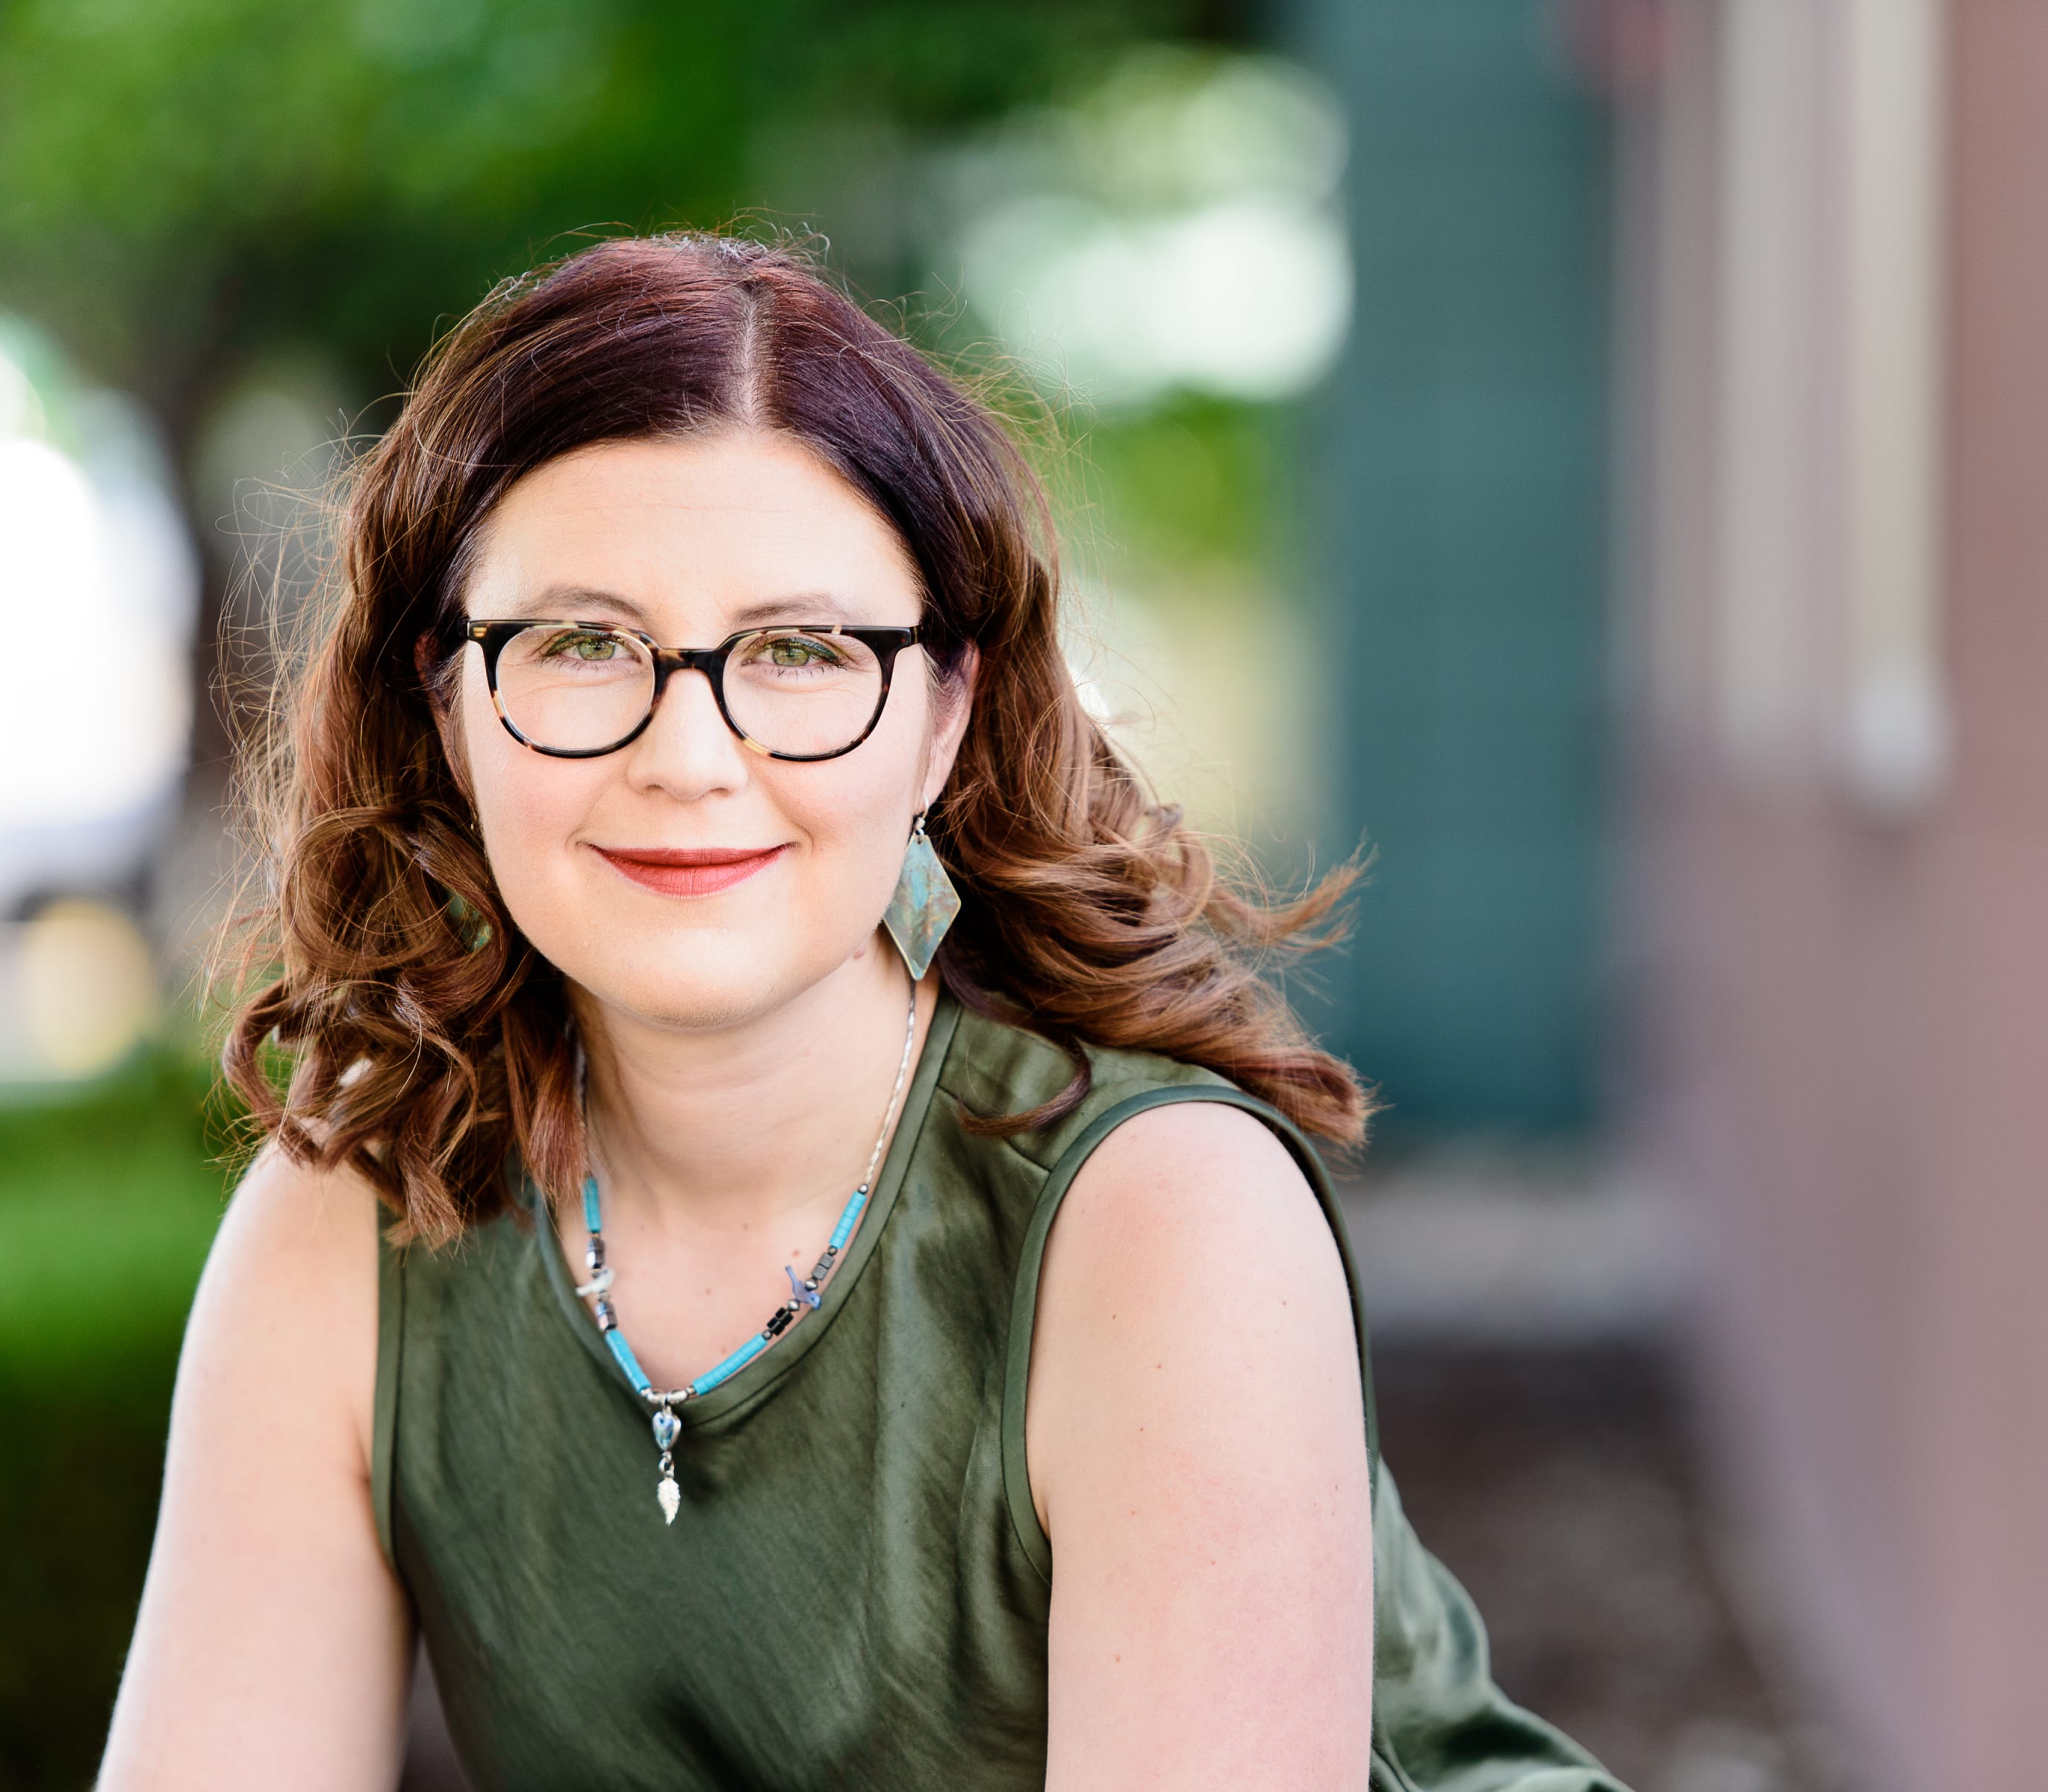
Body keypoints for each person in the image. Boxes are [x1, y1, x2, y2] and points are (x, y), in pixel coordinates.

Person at [97, 233, 1626, 1791]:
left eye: (802, 651)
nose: (689, 756)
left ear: (944, 714)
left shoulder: (1165, 1217)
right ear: (444, 702)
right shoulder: (360, 1215)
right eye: (577, 644)